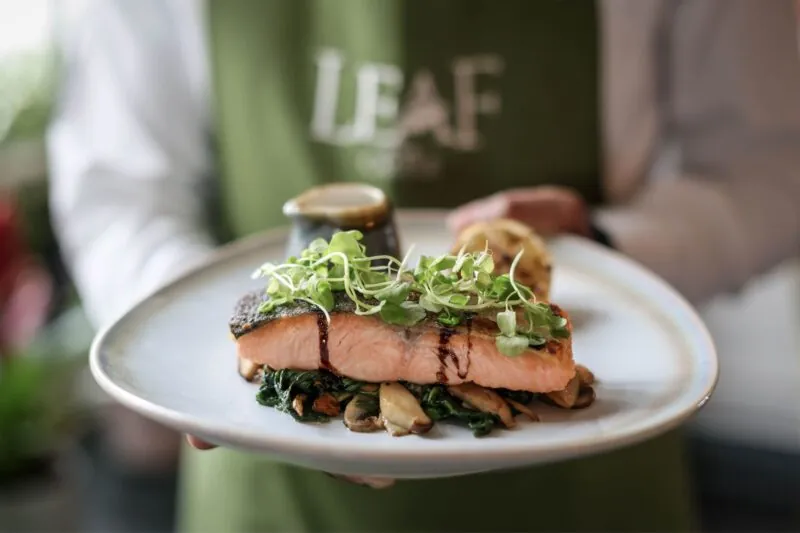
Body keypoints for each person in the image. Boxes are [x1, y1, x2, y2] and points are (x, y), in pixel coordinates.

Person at [47, 0, 800, 531]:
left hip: (587, 483)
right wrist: (190, 348)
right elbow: (113, 187)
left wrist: (607, 247)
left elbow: (774, 167)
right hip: (266, 479)